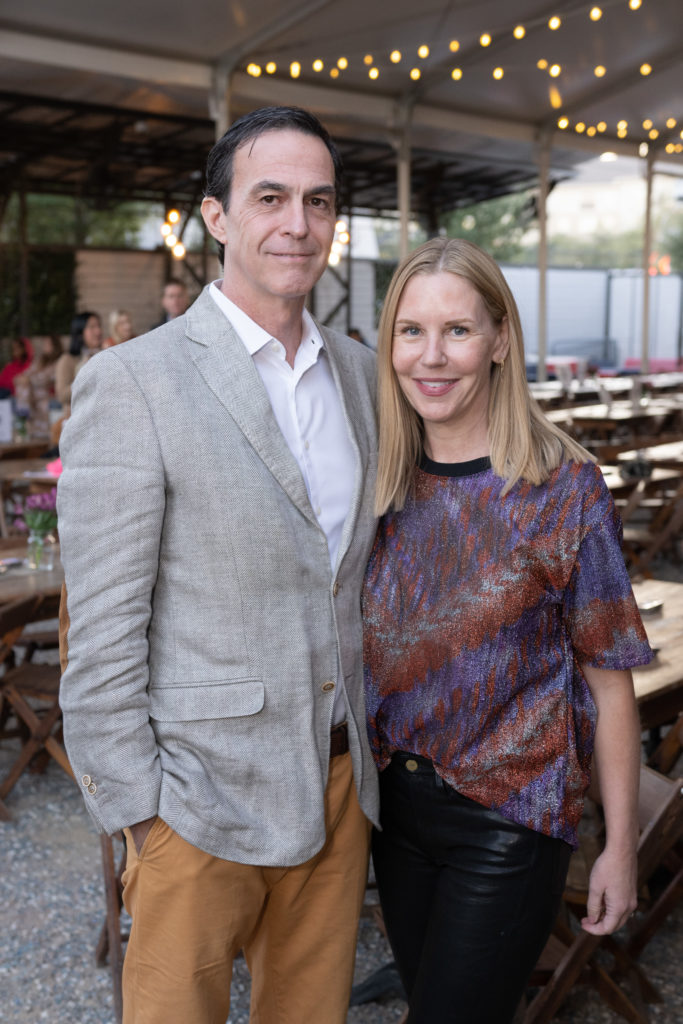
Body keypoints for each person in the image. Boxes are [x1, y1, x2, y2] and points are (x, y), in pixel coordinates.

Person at [58, 105, 379, 1024]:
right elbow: (102, 632)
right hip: (196, 802)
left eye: (318, 201)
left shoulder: (361, 375)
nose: (297, 224)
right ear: (217, 217)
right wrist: (140, 814)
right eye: (269, 197)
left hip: (338, 786)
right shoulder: (135, 380)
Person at [362, 237, 652, 1023]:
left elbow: (610, 684)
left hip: (511, 820)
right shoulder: (378, 480)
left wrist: (618, 848)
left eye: (456, 330)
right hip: (393, 811)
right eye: (411, 331)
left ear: (498, 341)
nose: (431, 356)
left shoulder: (563, 488)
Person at [13, 334, 62, 438]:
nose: (45, 346)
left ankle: (23, 415)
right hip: (34, 394)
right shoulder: (40, 361)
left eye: (48, 344)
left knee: (25, 387)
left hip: (48, 393)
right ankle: (24, 413)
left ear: (55, 345)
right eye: (45, 344)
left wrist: (29, 380)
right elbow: (29, 371)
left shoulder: (58, 362)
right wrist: (22, 377)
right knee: (23, 386)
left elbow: (45, 379)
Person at [54, 311, 103, 408]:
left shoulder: (105, 354)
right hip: (77, 414)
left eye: (99, 326)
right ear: (80, 332)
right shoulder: (68, 359)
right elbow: (62, 396)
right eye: (92, 327)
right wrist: (85, 375)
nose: (98, 331)